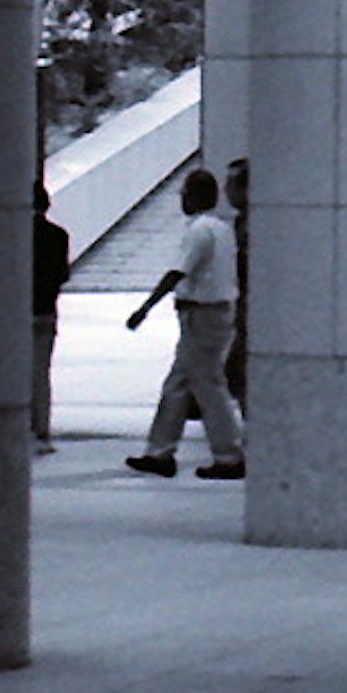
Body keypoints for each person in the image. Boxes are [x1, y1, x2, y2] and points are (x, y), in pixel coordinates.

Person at [123, 165, 243, 479]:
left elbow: (178, 271)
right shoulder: (222, 228)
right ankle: (160, 451)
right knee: (180, 383)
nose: (181, 199)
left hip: (201, 315)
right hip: (215, 313)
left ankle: (228, 455)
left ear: (194, 196)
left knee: (208, 385)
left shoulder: (199, 230)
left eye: (184, 193)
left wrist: (145, 307)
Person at [32, 183, 72, 453]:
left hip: (18, 312)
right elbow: (63, 274)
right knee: (41, 373)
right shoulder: (59, 236)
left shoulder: (14, 235)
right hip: (46, 311)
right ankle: (41, 429)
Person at [219, 155, 251, 409]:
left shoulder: (252, 226)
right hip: (242, 305)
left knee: (238, 369)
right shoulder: (242, 222)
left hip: (250, 307)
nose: (226, 191)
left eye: (231, 184)